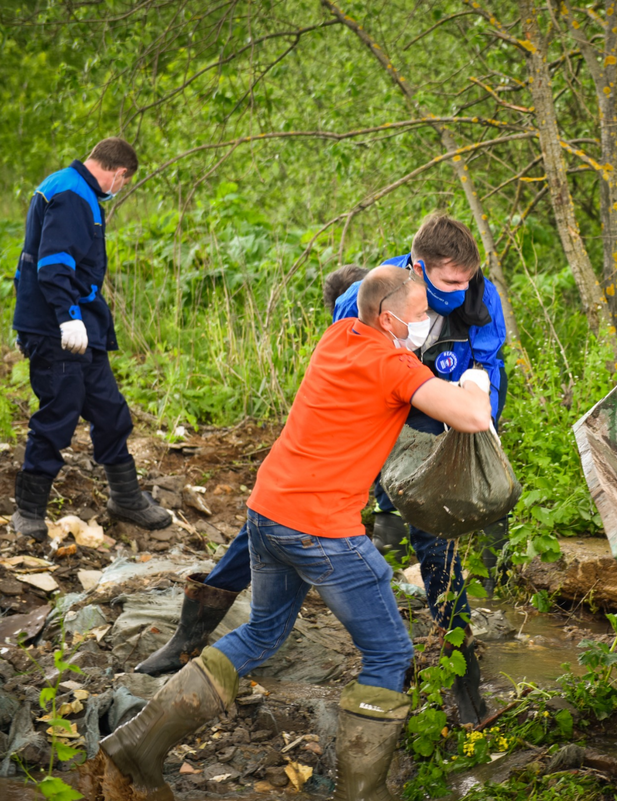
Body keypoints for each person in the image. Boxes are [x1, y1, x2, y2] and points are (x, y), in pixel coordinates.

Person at [85, 264, 494, 801]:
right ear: (391, 319)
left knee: (262, 633)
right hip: (322, 530)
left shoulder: (338, 336)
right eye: (420, 316)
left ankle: (136, 747)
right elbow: (469, 416)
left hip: (268, 512)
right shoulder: (393, 362)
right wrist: (476, 379)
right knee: (391, 654)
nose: (427, 323)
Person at [134, 214, 505, 724]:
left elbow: (489, 367)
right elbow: (350, 374)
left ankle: (463, 679)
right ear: (417, 269)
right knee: (278, 537)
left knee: (434, 543)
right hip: (385, 419)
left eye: (467, 281)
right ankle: (190, 635)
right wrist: (452, 397)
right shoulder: (374, 297)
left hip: (432, 430)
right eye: (448, 283)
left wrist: (481, 418)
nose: (461, 293)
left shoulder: (480, 300)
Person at [10, 137, 172, 542]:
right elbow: (52, 263)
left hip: (84, 329)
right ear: (118, 172)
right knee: (58, 416)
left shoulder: (73, 187)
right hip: (59, 329)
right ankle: (28, 511)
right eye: (124, 181)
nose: (121, 188)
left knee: (111, 411)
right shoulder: (71, 194)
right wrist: (66, 318)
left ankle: (126, 498)